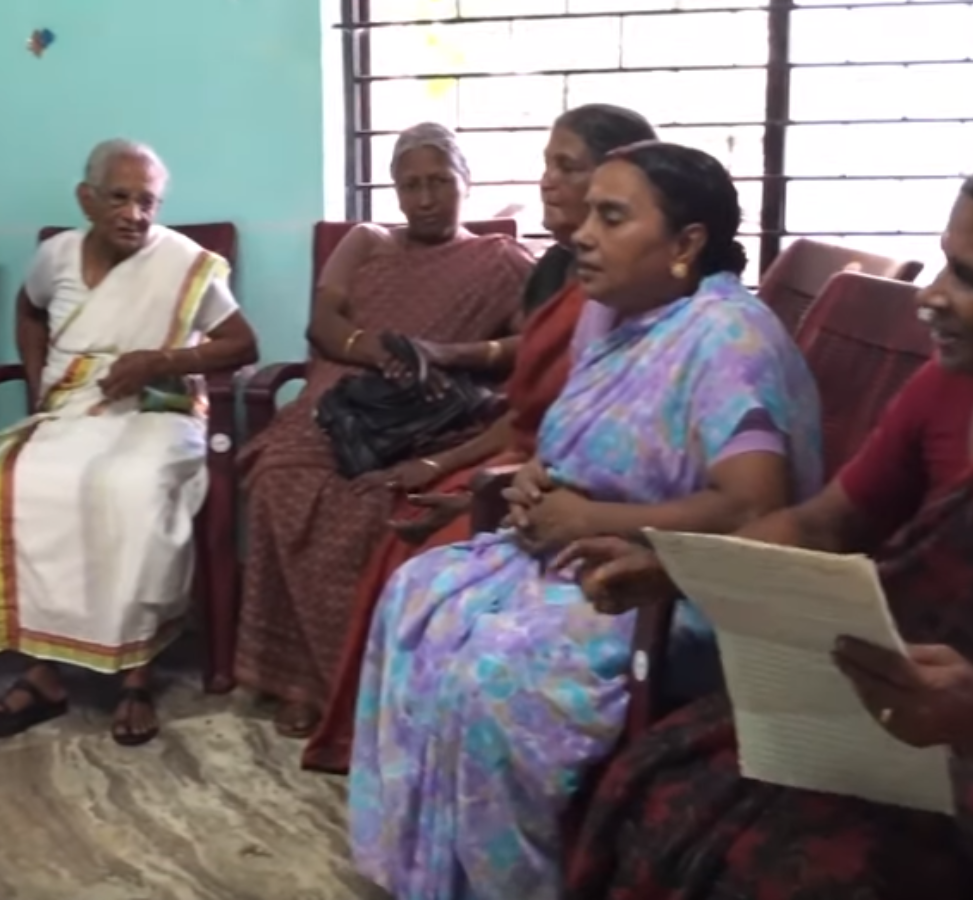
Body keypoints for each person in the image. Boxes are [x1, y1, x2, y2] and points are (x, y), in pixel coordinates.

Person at [559, 138, 973, 900]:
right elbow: (823, 526)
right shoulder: (946, 388)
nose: (931, 296)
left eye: (969, 277)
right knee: (656, 784)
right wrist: (682, 569)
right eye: (941, 263)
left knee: (798, 870)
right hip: (901, 706)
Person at [348, 141, 825, 900]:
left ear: (686, 243)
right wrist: (538, 480)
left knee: (493, 673)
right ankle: (433, 873)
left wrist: (589, 516)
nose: (583, 234)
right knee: (416, 595)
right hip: (571, 558)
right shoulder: (618, 317)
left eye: (612, 217)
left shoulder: (727, 339)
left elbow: (752, 505)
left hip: (667, 588)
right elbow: (578, 442)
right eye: (589, 214)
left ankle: (515, 882)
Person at [301, 104, 660, 774]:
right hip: (513, 462)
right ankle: (385, 740)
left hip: (572, 497)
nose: (547, 181)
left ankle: (429, 751)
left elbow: (565, 431)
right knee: (348, 512)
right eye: (547, 165)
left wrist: (469, 479)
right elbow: (537, 412)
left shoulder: (653, 312)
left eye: (566, 168)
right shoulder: (568, 275)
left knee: (416, 558)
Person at [0, 140, 259, 746]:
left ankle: (136, 675)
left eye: (148, 202)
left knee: (129, 488)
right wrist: (37, 383)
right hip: (72, 409)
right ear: (86, 199)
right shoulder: (56, 255)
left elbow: (243, 344)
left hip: (157, 410)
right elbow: (29, 310)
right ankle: (43, 674)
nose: (135, 214)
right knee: (10, 483)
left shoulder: (183, 262)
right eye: (119, 198)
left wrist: (160, 361)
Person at [234, 122, 536, 737]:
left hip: (433, 420)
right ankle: (303, 679)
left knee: (380, 503)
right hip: (339, 405)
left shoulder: (500, 260)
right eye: (410, 185)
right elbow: (322, 323)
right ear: (395, 190)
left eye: (439, 182)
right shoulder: (367, 241)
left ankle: (365, 684)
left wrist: (449, 353)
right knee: (280, 481)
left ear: (466, 183)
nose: (425, 199)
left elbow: (536, 341)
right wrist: (375, 350)